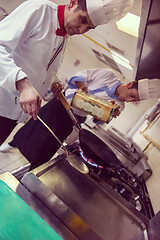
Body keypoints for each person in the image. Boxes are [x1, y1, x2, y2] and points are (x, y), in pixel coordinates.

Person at [0, 0, 134, 146]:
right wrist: (24, 85)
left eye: (89, 28)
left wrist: (53, 81)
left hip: (13, 113)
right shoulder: (40, 10)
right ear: (73, 3)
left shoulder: (65, 37)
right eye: (82, 20)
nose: (81, 30)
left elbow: (42, 66)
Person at [2, 67, 157, 170]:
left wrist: (105, 113)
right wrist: (82, 85)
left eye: (133, 100)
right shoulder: (108, 75)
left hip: (73, 117)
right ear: (130, 84)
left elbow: (96, 122)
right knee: (35, 126)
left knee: (51, 142)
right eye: (132, 96)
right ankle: (12, 143)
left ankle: (34, 167)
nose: (129, 100)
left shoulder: (118, 106)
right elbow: (83, 74)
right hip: (61, 103)